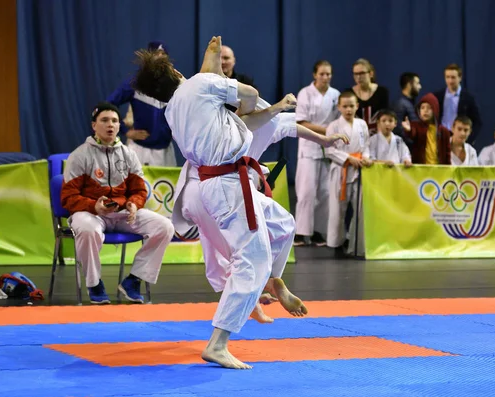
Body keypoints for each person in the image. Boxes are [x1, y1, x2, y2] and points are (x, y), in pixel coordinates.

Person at [132, 36, 307, 370]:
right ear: (173, 71)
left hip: (217, 182)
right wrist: (221, 77)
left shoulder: (173, 108)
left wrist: (212, 71)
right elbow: (251, 97)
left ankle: (270, 281)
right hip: (228, 184)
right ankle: (218, 342)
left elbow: (204, 90)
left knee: (284, 225)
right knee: (250, 260)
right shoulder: (199, 85)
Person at [171, 97, 349, 323]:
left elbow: (290, 125)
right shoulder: (266, 120)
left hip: (215, 192)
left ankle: (259, 291)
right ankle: (267, 283)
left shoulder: (220, 120)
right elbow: (292, 126)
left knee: (232, 258)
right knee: (279, 228)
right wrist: (323, 140)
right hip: (225, 189)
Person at [61, 102, 174, 304]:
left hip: (122, 213)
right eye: (104, 120)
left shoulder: (129, 155)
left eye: (114, 121)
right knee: (88, 229)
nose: (110, 125)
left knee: (164, 226)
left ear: (120, 126)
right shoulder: (79, 156)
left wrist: (133, 204)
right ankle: (94, 284)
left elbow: (139, 190)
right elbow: (68, 197)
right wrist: (93, 206)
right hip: (90, 213)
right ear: (94, 125)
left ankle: (134, 280)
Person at [107, 41, 176, 166]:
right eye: (156, 53)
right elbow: (109, 105)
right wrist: (125, 131)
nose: (160, 56)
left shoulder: (174, 84)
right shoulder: (136, 83)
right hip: (141, 151)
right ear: (148, 57)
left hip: (166, 151)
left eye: (163, 53)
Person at [294, 60, 340, 247]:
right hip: (308, 147)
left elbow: (339, 121)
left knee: (325, 193)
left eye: (328, 74)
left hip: (328, 148)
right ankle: (300, 232)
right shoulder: (305, 93)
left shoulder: (335, 95)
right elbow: (301, 122)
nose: (325, 77)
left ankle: (318, 232)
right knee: (306, 191)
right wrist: (326, 130)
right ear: (315, 75)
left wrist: (332, 132)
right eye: (322, 74)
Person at [325, 92, 372, 256]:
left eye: (351, 106)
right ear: (339, 107)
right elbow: (329, 150)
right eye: (344, 106)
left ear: (357, 106)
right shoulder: (333, 126)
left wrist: (365, 157)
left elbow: (366, 145)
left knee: (359, 209)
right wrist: (347, 159)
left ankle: (356, 245)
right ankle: (336, 245)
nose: (348, 109)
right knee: (337, 209)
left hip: (359, 170)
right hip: (340, 170)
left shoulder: (362, 124)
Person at [433, 64, 482, 144]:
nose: (450, 81)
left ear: (460, 78)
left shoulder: (468, 98)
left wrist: (469, 140)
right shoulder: (437, 96)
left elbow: (477, 122)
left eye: (453, 77)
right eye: (447, 77)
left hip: (459, 138)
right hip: (440, 137)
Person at [401, 93, 451, 165]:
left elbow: (447, 154)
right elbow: (413, 133)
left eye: (429, 108)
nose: (425, 110)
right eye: (422, 108)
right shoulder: (416, 126)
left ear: (435, 109)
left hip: (439, 170)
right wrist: (409, 130)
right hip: (421, 170)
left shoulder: (444, 131)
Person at [345, 58, 389, 132]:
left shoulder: (382, 92)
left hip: (377, 136)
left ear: (371, 74)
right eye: (355, 74)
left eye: (362, 73)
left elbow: (385, 116)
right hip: (355, 136)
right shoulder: (349, 93)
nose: (358, 77)